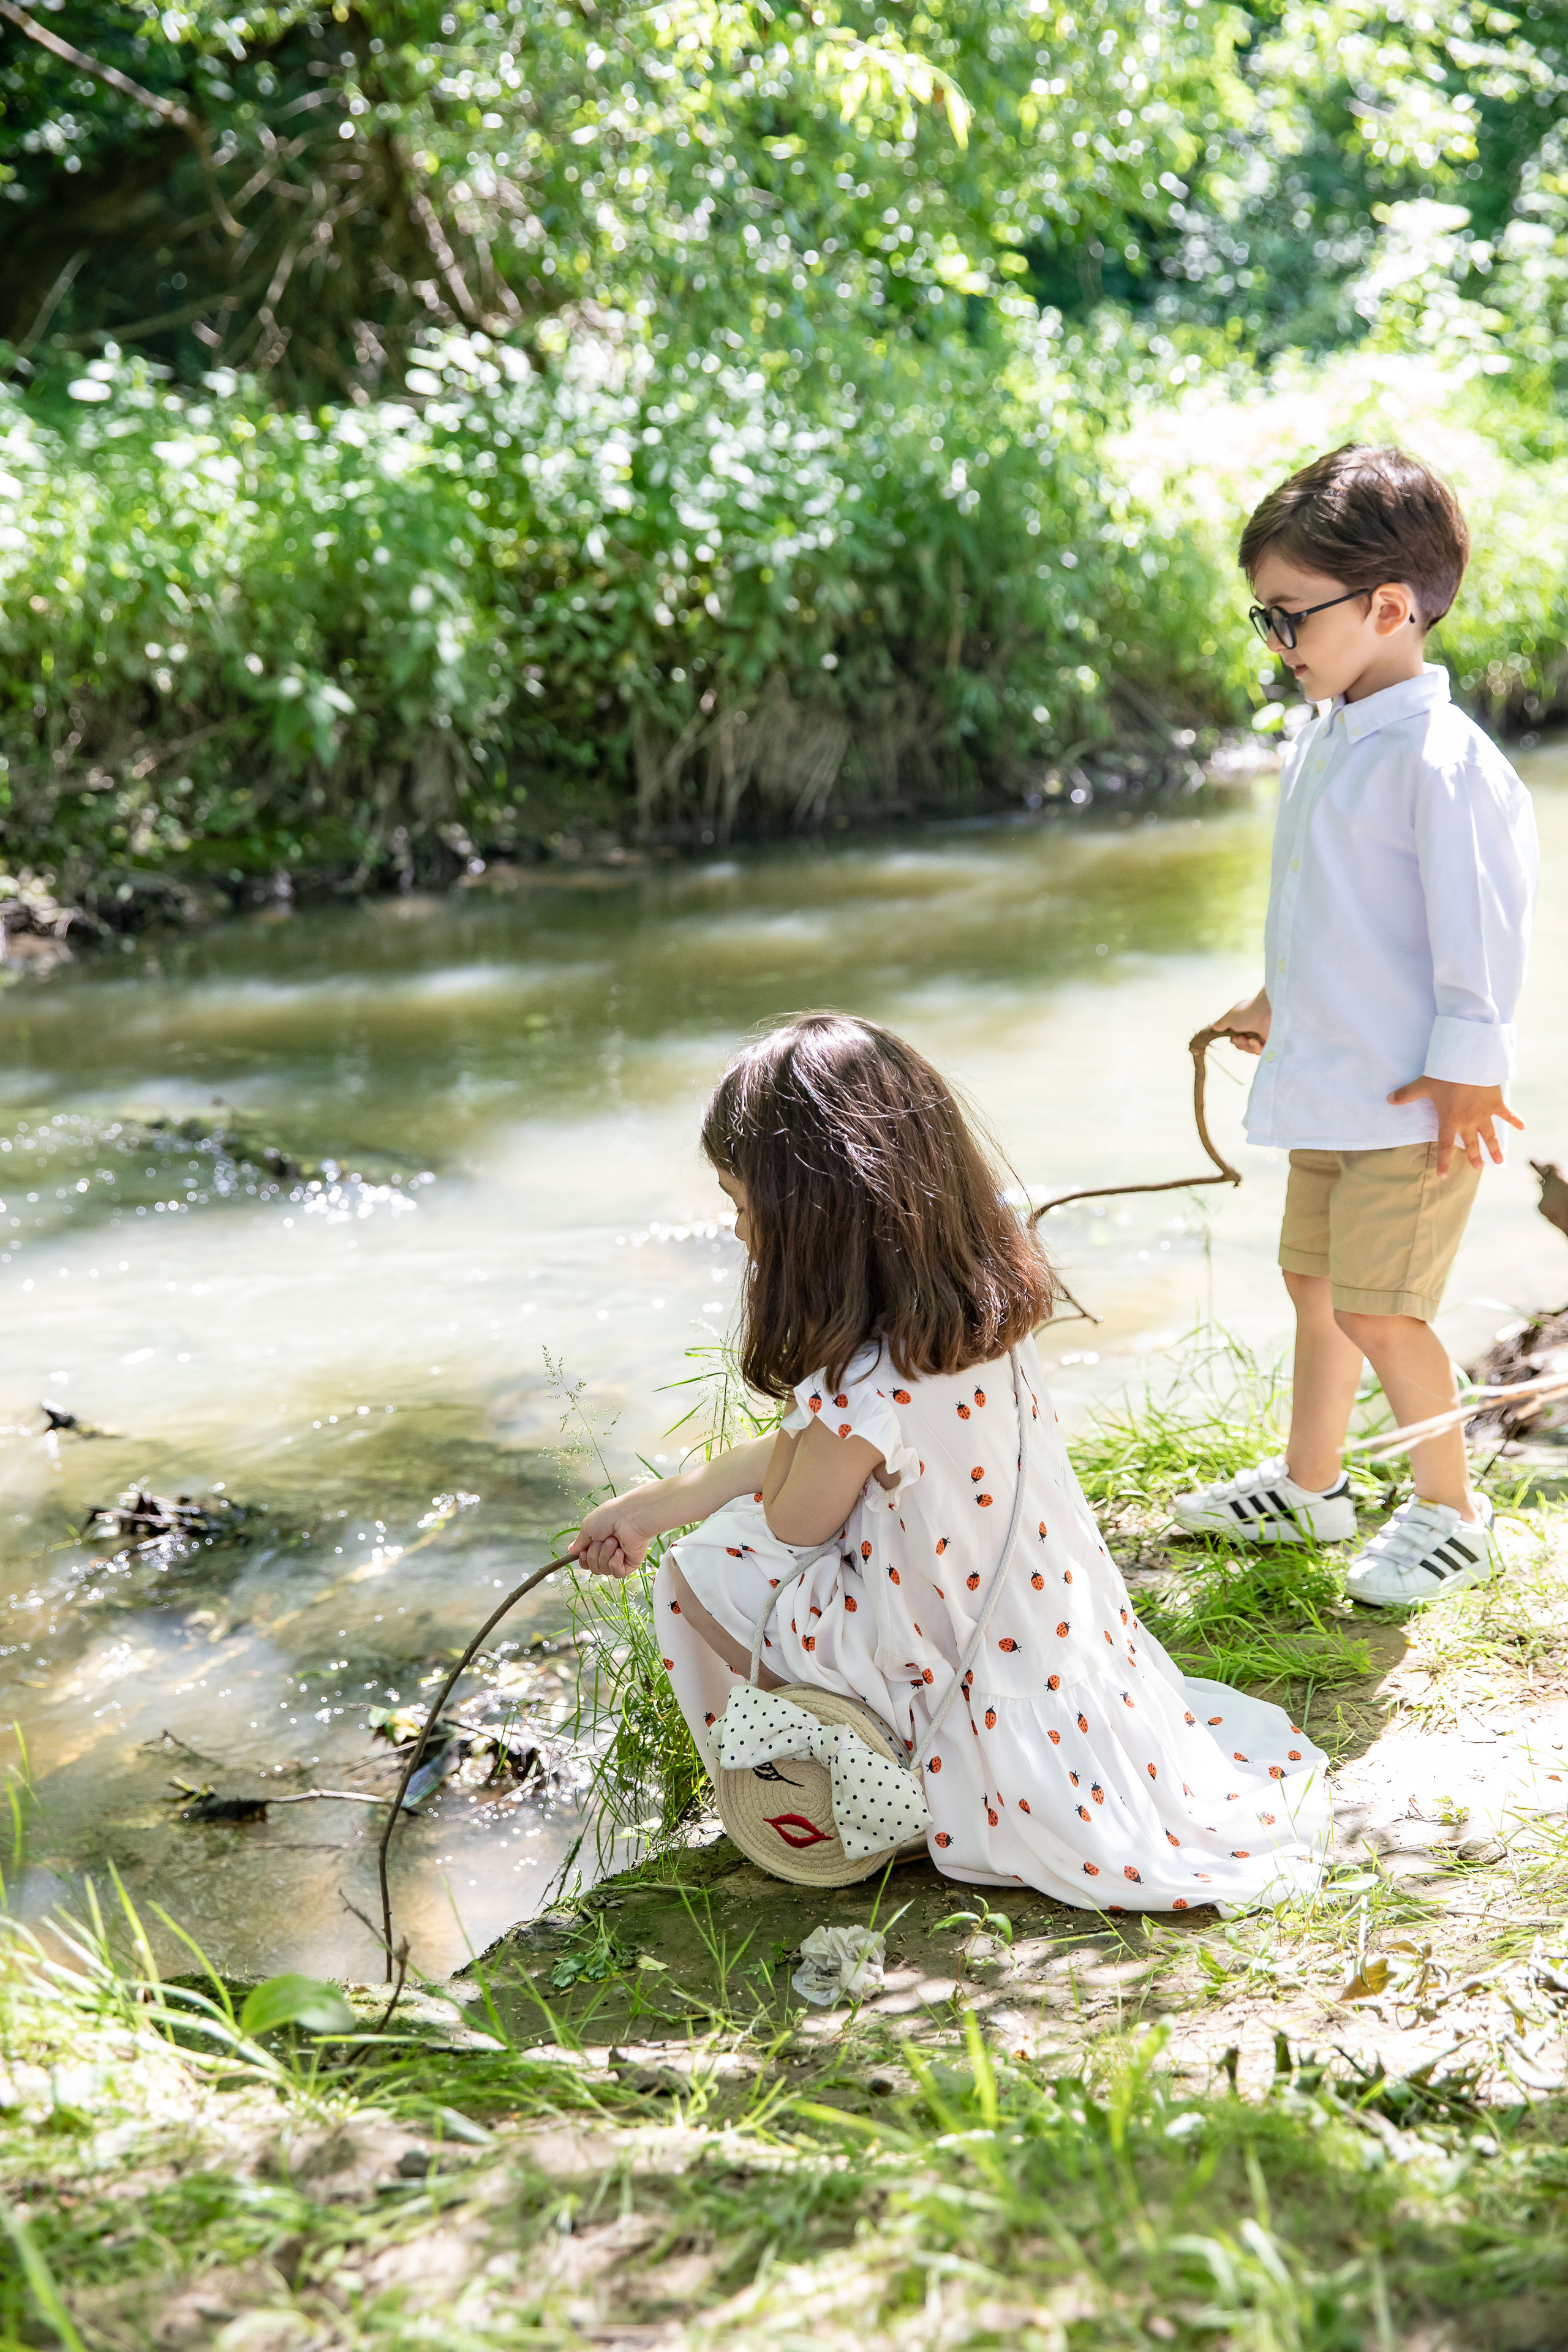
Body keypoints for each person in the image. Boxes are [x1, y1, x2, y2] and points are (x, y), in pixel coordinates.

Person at [570, 1013, 1329, 1913]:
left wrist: (682, 1519)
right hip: (1043, 1633)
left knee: (707, 1567)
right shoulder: (977, 1304)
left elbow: (794, 1519)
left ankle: (824, 1777)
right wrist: (670, 1496)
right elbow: (807, 1449)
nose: (740, 1234)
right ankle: (855, 1756)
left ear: (813, 1215)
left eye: (743, 1207)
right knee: (720, 1523)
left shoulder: (859, 1378)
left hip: (943, 1656)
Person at [1174, 444, 1539, 1606]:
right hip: (1335, 1076)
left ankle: (1450, 1511)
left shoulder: (1443, 764)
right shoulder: (1330, 733)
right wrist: (1276, 1000)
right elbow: (1331, 912)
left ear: (1389, 608)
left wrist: (1471, 1074)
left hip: (1411, 1097)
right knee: (1317, 1289)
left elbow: (1478, 936)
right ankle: (1312, 1486)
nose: (1276, 645)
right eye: (1265, 618)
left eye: (1290, 619)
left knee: (1384, 1306)